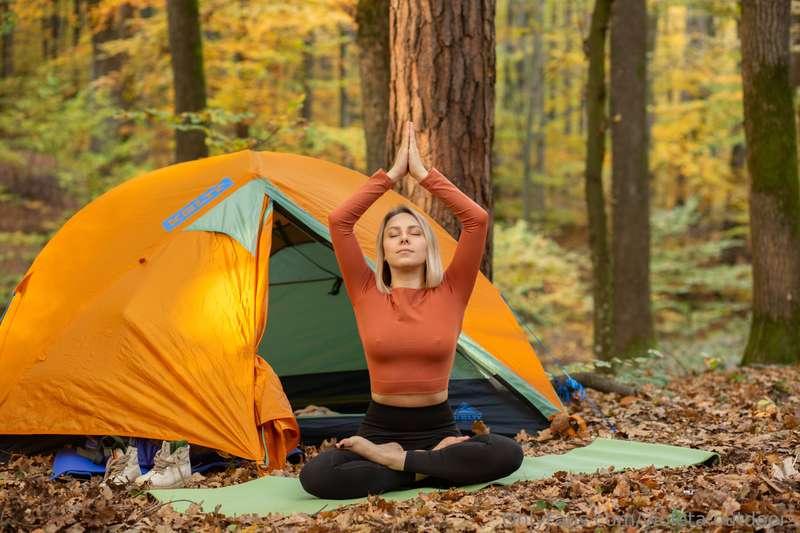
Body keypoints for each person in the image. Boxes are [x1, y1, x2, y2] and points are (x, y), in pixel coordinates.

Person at [298, 121, 523, 500]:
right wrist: (389, 176)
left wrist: (422, 175)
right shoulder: (366, 289)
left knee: (509, 453)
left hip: (439, 427)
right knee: (317, 476)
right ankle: (429, 468)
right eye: (393, 233)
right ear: (383, 250)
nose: (404, 237)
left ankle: (399, 464)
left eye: (415, 232)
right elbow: (340, 222)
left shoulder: (452, 289)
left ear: (428, 247)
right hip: (379, 428)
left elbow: (476, 220)